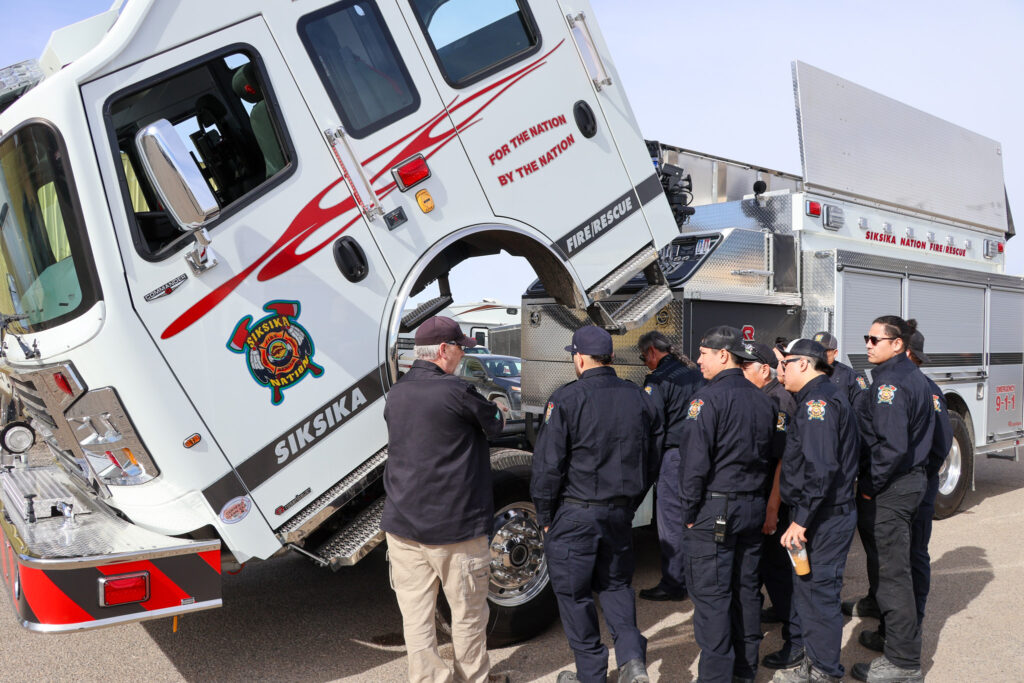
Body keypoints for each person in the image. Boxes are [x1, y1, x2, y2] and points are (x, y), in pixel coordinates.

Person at [531, 326, 662, 683]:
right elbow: (652, 458)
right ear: (611, 357)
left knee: (574, 595)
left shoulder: (566, 398)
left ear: (579, 358)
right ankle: (632, 661)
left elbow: (547, 466)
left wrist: (545, 515)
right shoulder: (639, 397)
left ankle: (591, 674)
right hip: (618, 513)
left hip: (576, 513)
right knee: (616, 586)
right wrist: (631, 503)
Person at [382, 316, 508, 683]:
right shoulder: (457, 391)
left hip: (402, 525)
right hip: (455, 529)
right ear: (442, 350)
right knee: (468, 615)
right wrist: (497, 407)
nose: (462, 355)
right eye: (459, 348)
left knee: (416, 617)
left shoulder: (397, 392)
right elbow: (495, 422)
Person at [679, 326, 775, 683]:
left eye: (703, 353)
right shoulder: (763, 399)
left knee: (713, 599)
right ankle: (744, 672)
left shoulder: (707, 400)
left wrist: (689, 512)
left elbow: (694, 464)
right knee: (746, 592)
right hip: (751, 507)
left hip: (716, 508)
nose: (698, 360)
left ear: (723, 355)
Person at [855, 321, 954, 654]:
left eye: (874, 339)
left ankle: (906, 636)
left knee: (909, 561)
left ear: (903, 349)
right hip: (906, 479)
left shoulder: (912, 386)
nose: (868, 344)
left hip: (908, 483)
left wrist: (876, 484)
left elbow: (938, 444)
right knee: (893, 564)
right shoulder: (904, 382)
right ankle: (889, 623)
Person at [772, 339, 860, 683]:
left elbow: (820, 469)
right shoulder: (817, 397)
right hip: (821, 512)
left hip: (823, 516)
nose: (781, 370)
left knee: (819, 595)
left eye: (786, 363)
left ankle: (824, 671)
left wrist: (801, 520)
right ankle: (815, 662)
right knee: (809, 593)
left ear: (804, 364)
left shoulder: (817, 404)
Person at [740, 342, 803, 671]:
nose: (740, 372)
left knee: (782, 571)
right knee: (768, 568)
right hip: (764, 498)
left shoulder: (779, 400)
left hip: (777, 502)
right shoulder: (761, 397)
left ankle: (797, 641)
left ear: (765, 369)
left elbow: (782, 462)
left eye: (745, 367)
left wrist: (772, 509)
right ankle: (782, 612)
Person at [636, 330, 704, 602]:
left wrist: (648, 468)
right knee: (693, 518)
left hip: (673, 457)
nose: (645, 363)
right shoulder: (695, 373)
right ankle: (696, 578)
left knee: (671, 523)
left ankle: (674, 584)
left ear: (652, 351)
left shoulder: (658, 379)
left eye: (643, 358)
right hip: (699, 454)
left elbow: (653, 426)